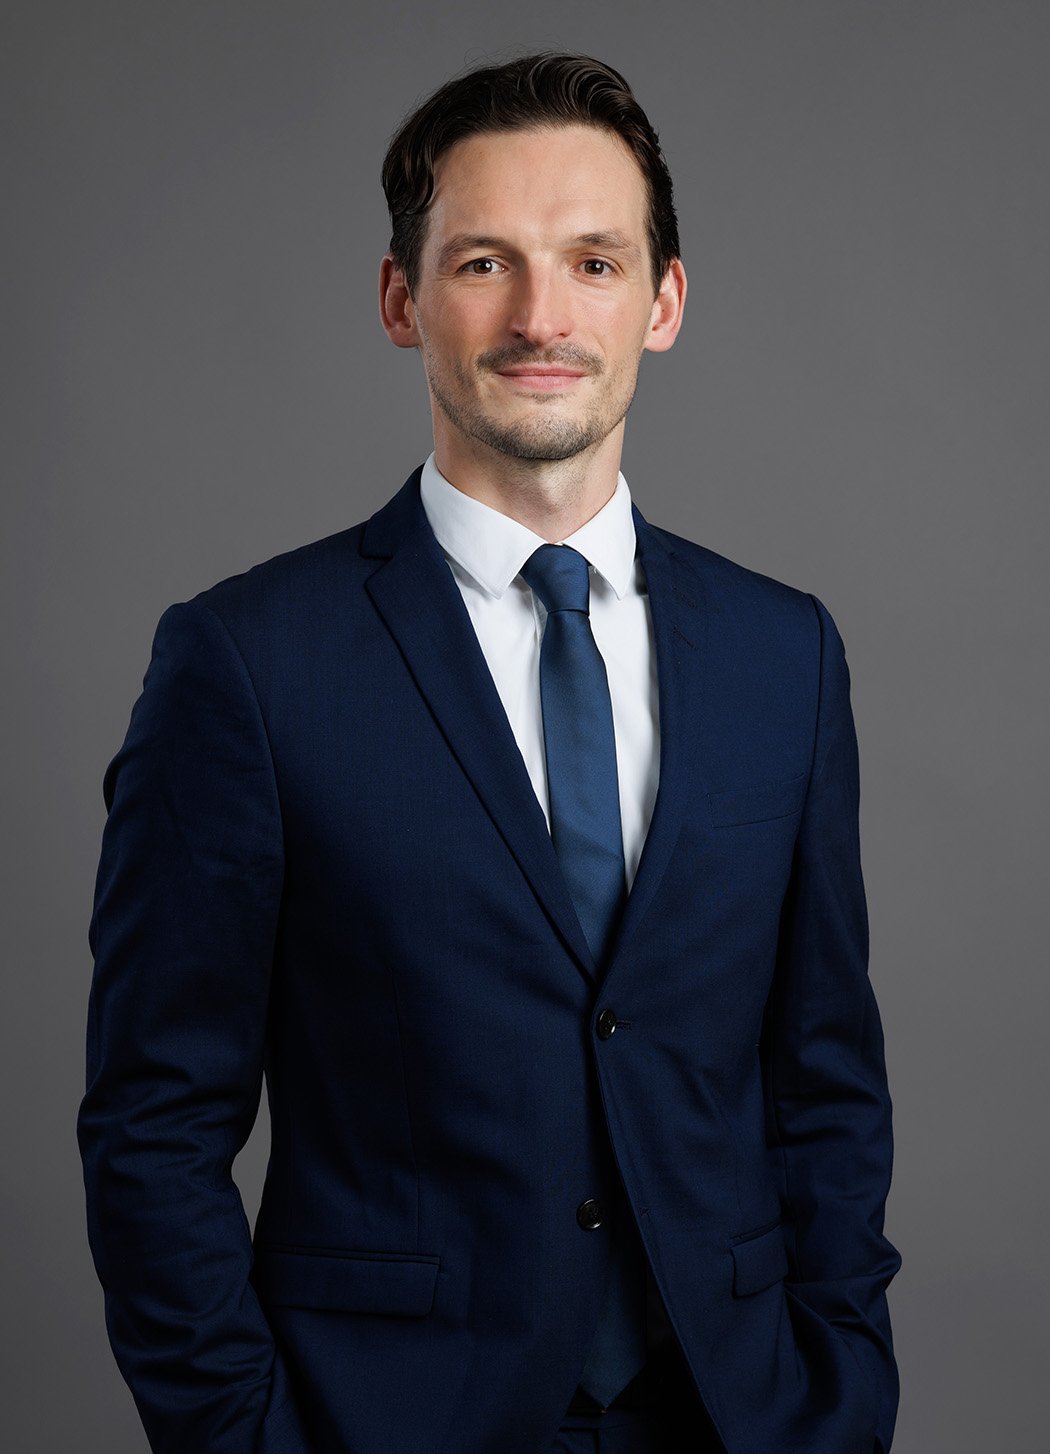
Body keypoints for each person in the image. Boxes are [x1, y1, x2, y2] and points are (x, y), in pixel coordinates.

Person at [77, 51, 901, 1454]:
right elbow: (154, 1121)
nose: (540, 317)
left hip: (740, 1413)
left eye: (593, 262)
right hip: (382, 1420)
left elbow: (824, 1079)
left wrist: (839, 1392)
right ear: (402, 300)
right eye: (482, 263)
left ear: (663, 302)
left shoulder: (786, 655)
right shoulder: (248, 663)